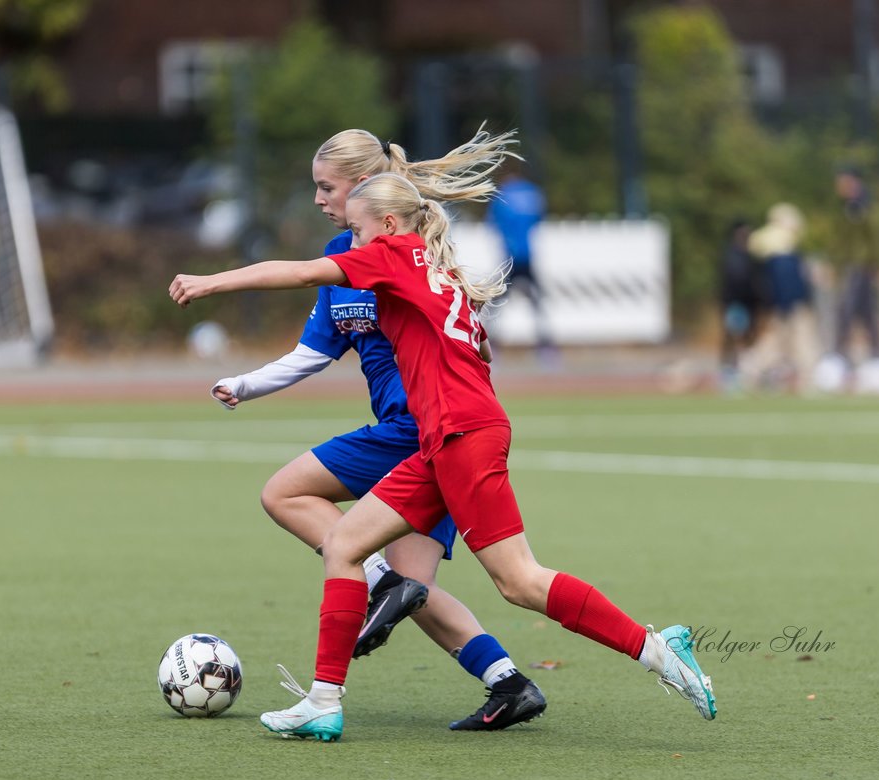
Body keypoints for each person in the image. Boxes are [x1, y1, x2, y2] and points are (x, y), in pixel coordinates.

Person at [169, 173, 717, 742]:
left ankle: (654, 647)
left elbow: (302, 272)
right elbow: (474, 348)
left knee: (520, 581)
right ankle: (323, 702)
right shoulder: (437, 267)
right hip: (448, 437)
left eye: (356, 231)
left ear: (386, 225)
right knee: (346, 543)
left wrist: (211, 283)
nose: (350, 245)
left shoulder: (392, 254)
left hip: (461, 436)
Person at [206, 128, 547, 731]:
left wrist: (213, 283)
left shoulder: (398, 253)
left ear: (365, 190)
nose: (317, 198)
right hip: (429, 438)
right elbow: (313, 352)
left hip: (422, 430)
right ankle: (509, 683)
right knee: (412, 588)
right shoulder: (352, 254)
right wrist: (247, 383)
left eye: (326, 187)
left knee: (284, 494)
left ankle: (368, 599)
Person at [816, 167, 879, 394]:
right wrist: (831, 264)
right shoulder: (845, 208)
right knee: (852, 316)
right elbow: (838, 242)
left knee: (856, 315)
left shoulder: (863, 207)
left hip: (860, 269)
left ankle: (871, 361)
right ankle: (846, 361)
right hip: (850, 268)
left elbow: (876, 238)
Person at [742, 203, 822, 392]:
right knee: (800, 344)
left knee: (777, 344)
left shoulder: (769, 244)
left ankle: (751, 370)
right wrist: (788, 306)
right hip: (790, 306)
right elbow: (787, 282)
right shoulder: (782, 246)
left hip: (783, 305)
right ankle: (807, 380)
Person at [487, 165, 556, 363]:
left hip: (510, 257)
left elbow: (493, 224)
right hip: (528, 255)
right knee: (537, 304)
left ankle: (491, 346)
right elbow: (538, 219)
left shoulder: (502, 195)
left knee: (497, 305)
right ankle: (546, 347)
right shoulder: (533, 193)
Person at [716, 219, 764, 392]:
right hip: (737, 304)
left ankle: (743, 376)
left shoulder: (747, 256)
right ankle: (729, 377)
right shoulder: (733, 256)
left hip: (747, 304)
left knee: (745, 341)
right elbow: (735, 283)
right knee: (735, 339)